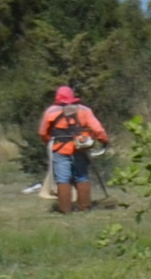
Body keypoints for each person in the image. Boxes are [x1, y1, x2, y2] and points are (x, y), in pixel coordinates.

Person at [38, 84, 109, 213]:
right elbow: (98, 129)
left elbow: (43, 132)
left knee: (62, 178)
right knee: (81, 176)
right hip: (80, 147)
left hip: (60, 148)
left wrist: (49, 142)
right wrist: (104, 140)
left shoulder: (50, 111)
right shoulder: (85, 110)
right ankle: (84, 207)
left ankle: (65, 210)